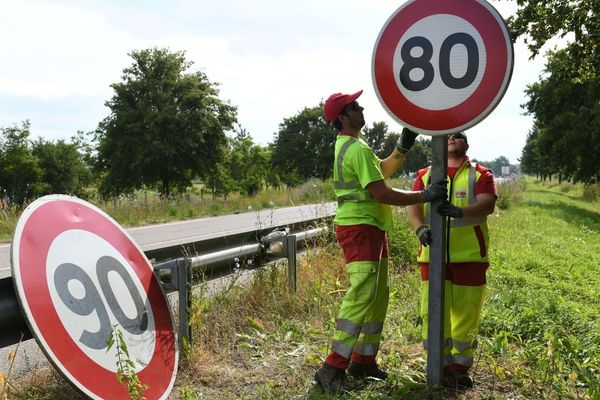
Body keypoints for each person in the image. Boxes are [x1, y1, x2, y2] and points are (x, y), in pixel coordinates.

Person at [314, 90, 448, 394]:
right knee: (363, 294)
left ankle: (364, 362)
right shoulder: (355, 149)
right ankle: (332, 368)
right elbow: (382, 193)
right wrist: (425, 195)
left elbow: (383, 171)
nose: (361, 108)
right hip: (359, 228)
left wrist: (402, 147)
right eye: (354, 106)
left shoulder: (355, 146)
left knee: (378, 296)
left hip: (371, 227)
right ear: (343, 117)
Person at [407, 131, 497, 390]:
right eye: (448, 136)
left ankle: (459, 369)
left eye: (458, 136)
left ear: (467, 144)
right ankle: (438, 365)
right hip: (431, 258)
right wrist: (419, 228)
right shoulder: (425, 175)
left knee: (466, 315)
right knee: (433, 312)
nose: (452, 138)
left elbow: (487, 204)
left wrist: (459, 211)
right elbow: (413, 207)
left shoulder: (480, 174)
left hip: (470, 257)